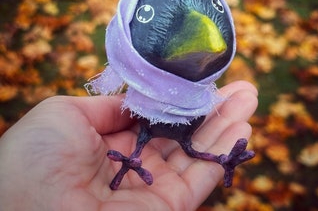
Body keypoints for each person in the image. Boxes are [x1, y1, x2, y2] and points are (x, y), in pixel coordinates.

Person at [0, 81, 258, 211]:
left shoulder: (195, 100)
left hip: (178, 130)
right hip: (150, 131)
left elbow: (188, 149)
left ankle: (223, 160)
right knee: (160, 145)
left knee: (187, 148)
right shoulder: (147, 101)